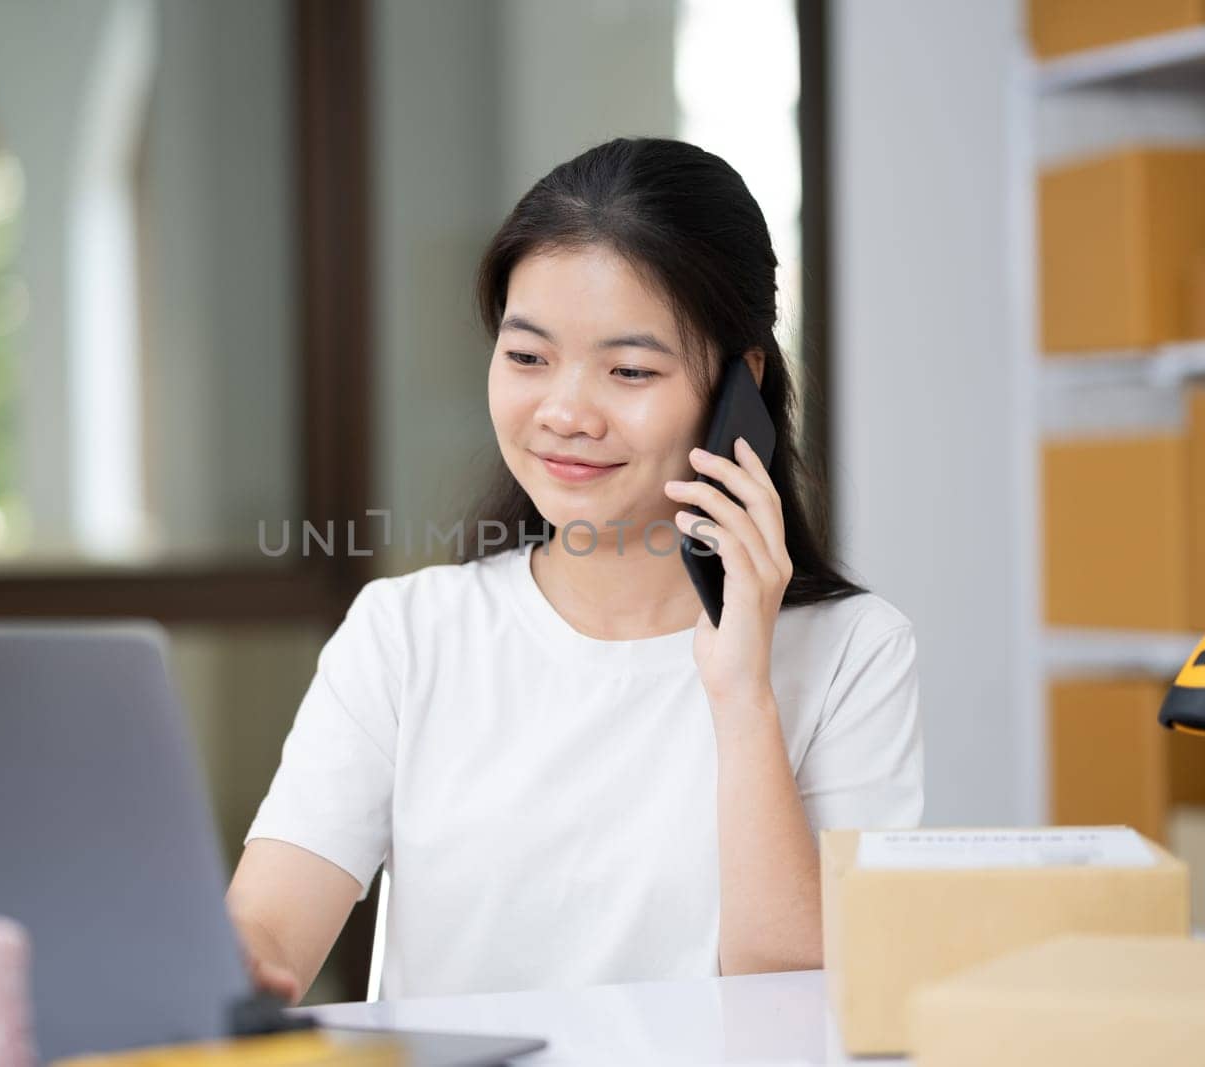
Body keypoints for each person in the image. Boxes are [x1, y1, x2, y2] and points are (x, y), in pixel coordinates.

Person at [226, 136, 923, 1005]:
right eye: (527, 357)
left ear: (737, 390)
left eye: (629, 369)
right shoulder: (406, 634)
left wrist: (742, 691)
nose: (562, 412)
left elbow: (796, 1002)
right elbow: (271, 926)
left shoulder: (856, 652)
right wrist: (235, 967)